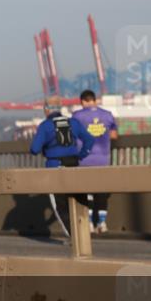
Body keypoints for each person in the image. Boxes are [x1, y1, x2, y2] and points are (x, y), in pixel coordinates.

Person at [30, 95, 95, 235]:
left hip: (55, 167)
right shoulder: (73, 122)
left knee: (60, 205)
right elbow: (89, 140)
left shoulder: (45, 126)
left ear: (46, 109)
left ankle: (73, 236)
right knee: (78, 198)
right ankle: (85, 229)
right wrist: (82, 155)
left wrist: (45, 146)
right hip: (73, 164)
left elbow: (34, 150)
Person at [72, 89, 118, 233]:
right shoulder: (107, 115)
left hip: (85, 159)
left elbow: (72, 135)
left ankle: (90, 223)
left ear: (83, 101)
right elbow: (114, 135)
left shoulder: (77, 116)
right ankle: (102, 223)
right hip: (103, 159)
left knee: (88, 193)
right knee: (102, 192)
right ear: (94, 100)